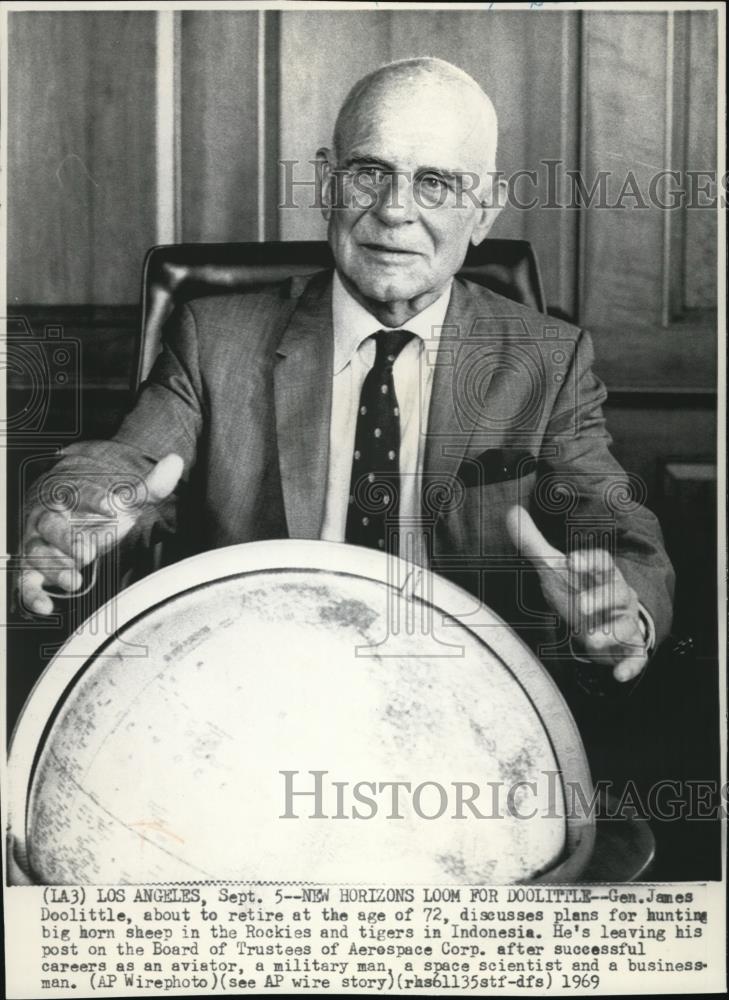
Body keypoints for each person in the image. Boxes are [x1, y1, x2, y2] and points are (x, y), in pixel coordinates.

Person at [18, 57, 674, 689]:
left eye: (435, 183)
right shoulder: (214, 337)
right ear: (328, 181)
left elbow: (620, 535)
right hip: (253, 686)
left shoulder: (547, 360)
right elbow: (126, 465)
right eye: (368, 172)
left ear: (484, 211)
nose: (393, 210)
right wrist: (74, 512)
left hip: (462, 702)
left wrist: (620, 606)